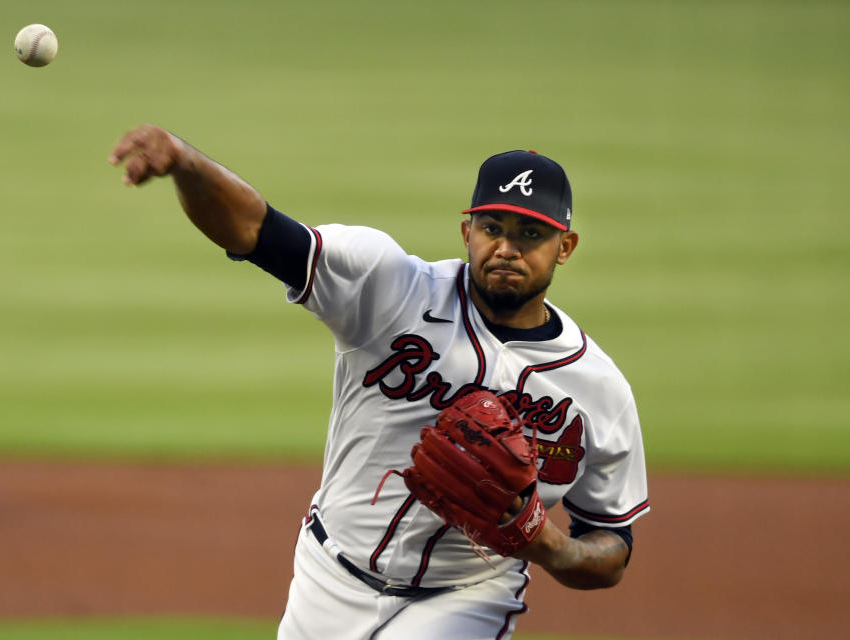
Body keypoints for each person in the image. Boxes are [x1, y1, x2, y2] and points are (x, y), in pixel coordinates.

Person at [109, 125, 650, 639]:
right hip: (330, 573)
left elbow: (611, 548)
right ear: (467, 232)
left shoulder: (597, 391)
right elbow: (257, 231)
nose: (507, 248)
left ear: (565, 246)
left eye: (531, 233)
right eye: (493, 229)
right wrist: (185, 162)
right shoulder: (391, 286)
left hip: (465, 597)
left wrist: (549, 545)